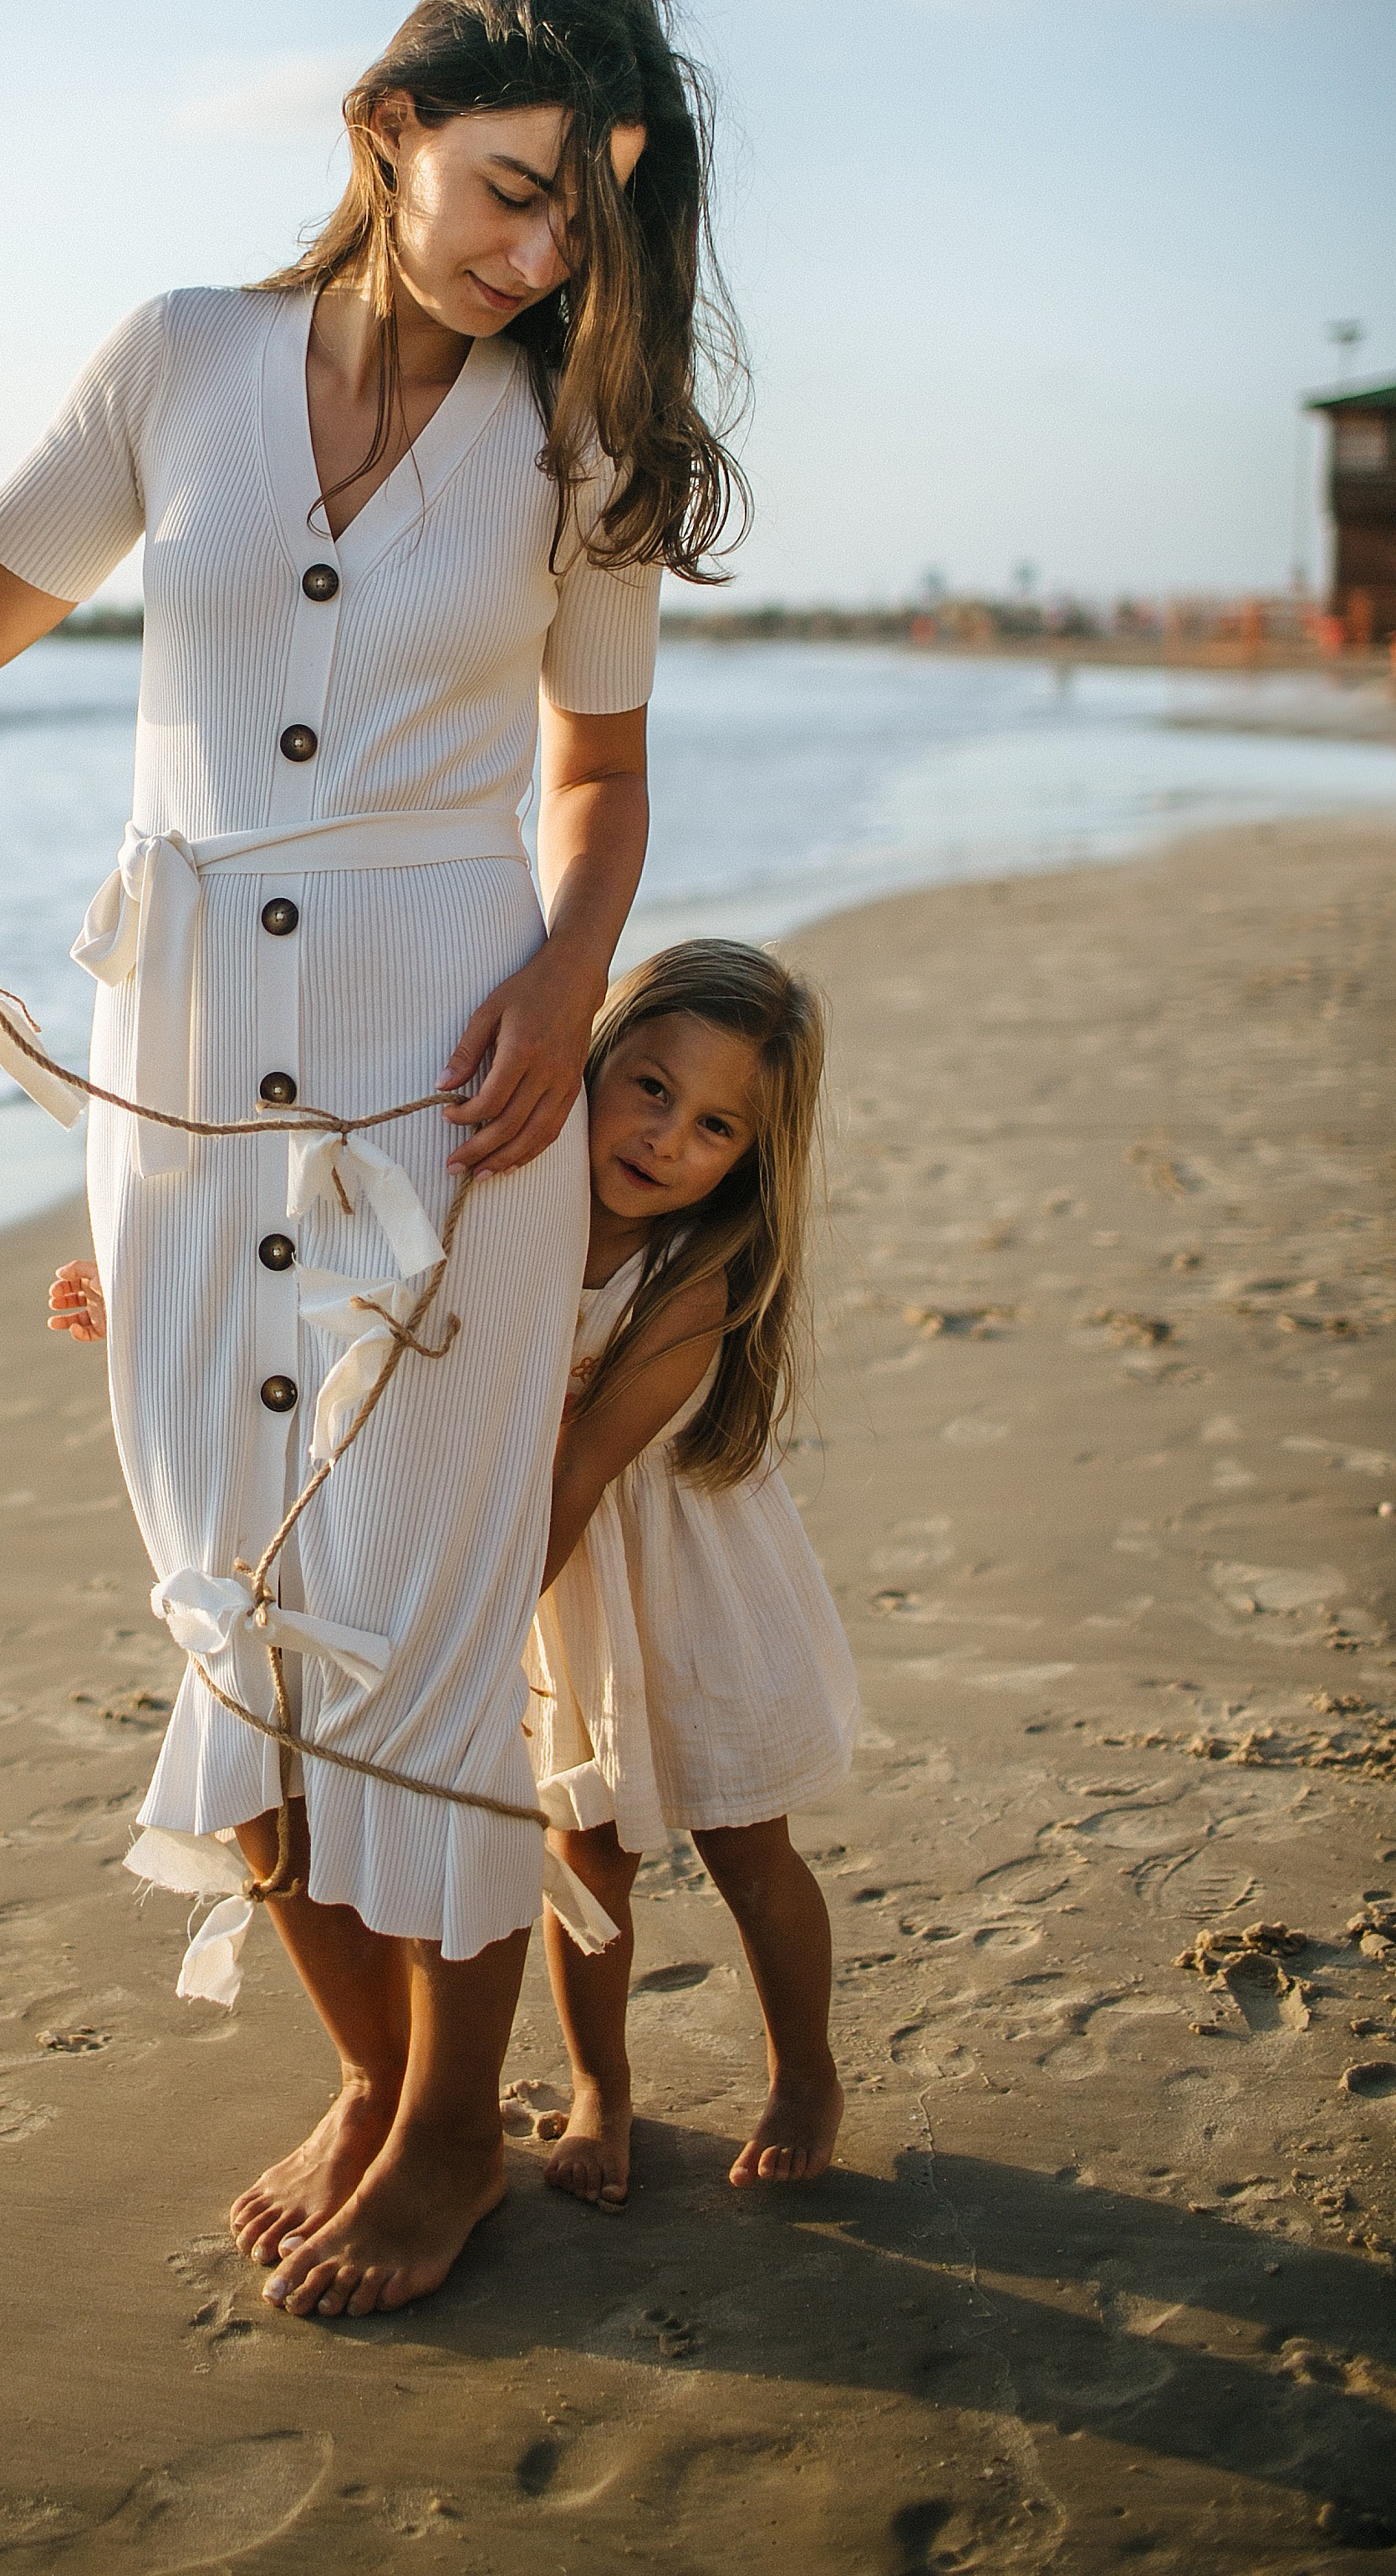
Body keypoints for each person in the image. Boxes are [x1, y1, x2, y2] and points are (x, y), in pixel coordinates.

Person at [0, 0, 745, 2320]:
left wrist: (564, 979)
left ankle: (452, 2117)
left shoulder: (581, 444)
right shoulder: (181, 358)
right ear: (392, 121)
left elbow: (601, 776)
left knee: (418, 1618)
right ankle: (367, 2062)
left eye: (589, 228)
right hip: (177, 1068)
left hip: (454, 1071)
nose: (538, 256)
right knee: (222, 1602)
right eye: (517, 189)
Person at [526, 938, 858, 2210]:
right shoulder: (512, 1198)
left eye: (714, 1124)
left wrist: (462, 1630)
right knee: (585, 1843)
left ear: (748, 1159)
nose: (667, 1137)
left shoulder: (693, 1280)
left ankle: (804, 2069)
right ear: (598, 1051)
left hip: (687, 1585)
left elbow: (576, 1474)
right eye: (652, 1087)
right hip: (566, 1593)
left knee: (746, 1844)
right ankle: (602, 2082)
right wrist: (154, 1287)